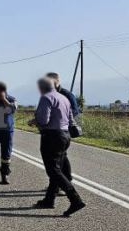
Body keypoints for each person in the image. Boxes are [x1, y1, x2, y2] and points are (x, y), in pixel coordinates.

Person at [29, 77, 86, 217]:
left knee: (53, 170)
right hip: (65, 135)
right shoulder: (64, 98)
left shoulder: (46, 98)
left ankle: (75, 199)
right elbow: (71, 117)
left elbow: (44, 120)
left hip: (52, 136)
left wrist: (34, 121)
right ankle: (49, 199)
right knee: (57, 168)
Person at [46, 72, 78, 183]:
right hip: (52, 130)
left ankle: (64, 182)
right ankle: (64, 182)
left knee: (60, 156)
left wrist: (61, 116)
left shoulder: (67, 94)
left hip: (62, 130)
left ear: (55, 81)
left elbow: (75, 110)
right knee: (60, 156)